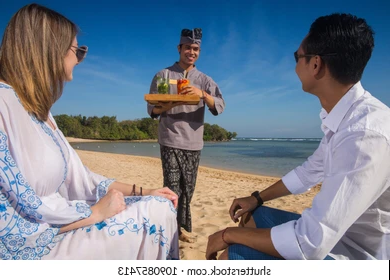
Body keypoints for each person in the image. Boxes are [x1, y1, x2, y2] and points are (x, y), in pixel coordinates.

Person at [0, 3, 179, 260]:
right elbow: (8, 230)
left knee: (159, 204)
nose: (79, 59)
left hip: (60, 222)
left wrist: (145, 191)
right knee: (156, 214)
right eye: (77, 50)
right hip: (36, 248)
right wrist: (93, 214)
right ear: (50, 50)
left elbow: (83, 179)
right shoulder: (4, 106)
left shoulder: (40, 113)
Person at [206, 13, 390, 260]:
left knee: (234, 254)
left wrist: (227, 234)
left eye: (297, 57)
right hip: (339, 237)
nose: (295, 65)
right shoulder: (346, 117)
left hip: (360, 255)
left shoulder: (363, 135)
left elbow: (309, 244)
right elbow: (308, 172)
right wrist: (256, 198)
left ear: (315, 64)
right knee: (250, 217)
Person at [147, 28, 225, 242]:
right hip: (170, 138)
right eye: (188, 48)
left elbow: (219, 106)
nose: (192, 52)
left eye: (196, 49)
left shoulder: (205, 80)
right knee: (172, 188)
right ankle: (171, 231)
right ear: (179, 48)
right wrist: (170, 103)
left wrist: (201, 94)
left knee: (187, 190)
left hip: (194, 142)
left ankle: (179, 228)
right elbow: (152, 110)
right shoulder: (163, 75)